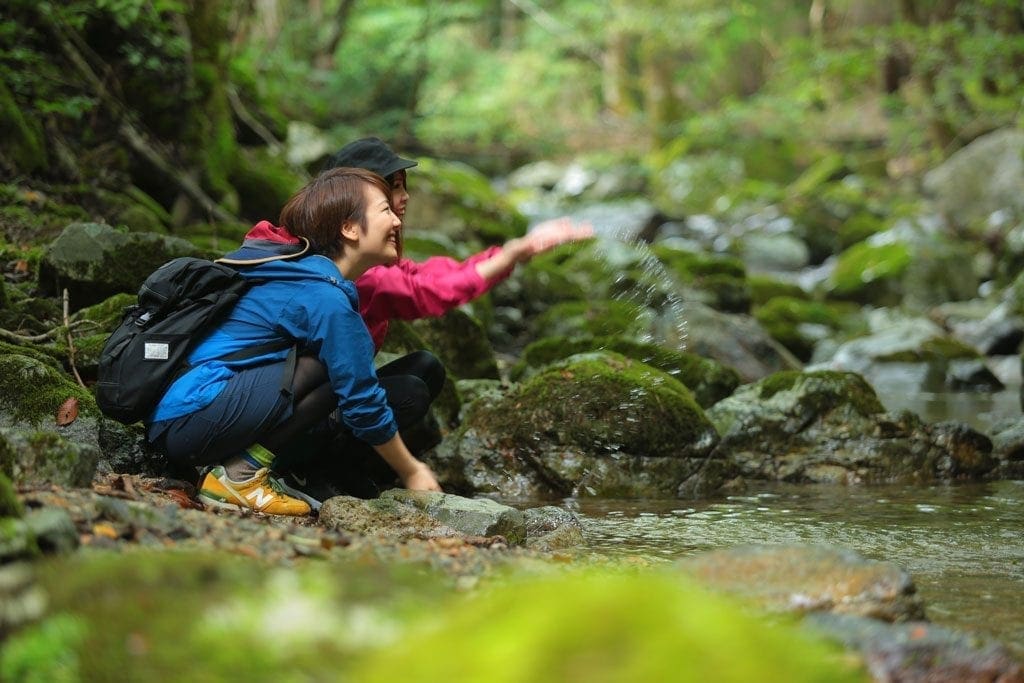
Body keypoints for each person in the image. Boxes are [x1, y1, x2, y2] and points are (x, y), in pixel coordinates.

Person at [237, 138, 593, 499]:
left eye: (403, 185)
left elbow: (424, 276)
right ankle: (314, 471)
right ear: (349, 207)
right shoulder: (352, 274)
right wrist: (515, 252)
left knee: (426, 366)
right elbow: (430, 291)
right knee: (408, 393)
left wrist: (512, 253)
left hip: (287, 398)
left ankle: (332, 463)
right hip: (278, 413)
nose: (404, 197)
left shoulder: (318, 248)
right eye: (391, 187)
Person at [145, 167, 441, 516]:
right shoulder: (322, 297)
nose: (397, 221)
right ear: (348, 228)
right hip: (191, 420)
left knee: (348, 366)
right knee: (337, 368)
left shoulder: (298, 272)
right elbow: (361, 398)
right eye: (385, 210)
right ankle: (240, 476)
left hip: (181, 417)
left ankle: (267, 469)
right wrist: (411, 470)